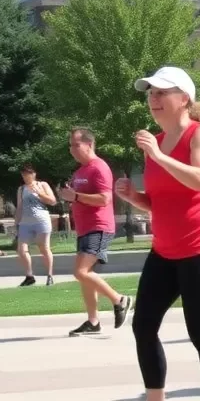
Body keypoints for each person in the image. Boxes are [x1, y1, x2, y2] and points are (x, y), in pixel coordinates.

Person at [103, 66, 200, 401]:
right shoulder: (156, 141)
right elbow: (164, 200)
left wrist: (157, 155)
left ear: (185, 99)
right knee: (143, 326)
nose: (153, 99)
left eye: (162, 92)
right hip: (165, 248)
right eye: (150, 93)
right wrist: (134, 197)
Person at [59, 129, 132, 336]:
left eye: (75, 145)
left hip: (98, 226)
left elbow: (104, 199)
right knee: (85, 275)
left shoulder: (99, 168)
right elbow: (77, 196)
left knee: (80, 272)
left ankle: (120, 300)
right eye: (70, 145)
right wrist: (69, 195)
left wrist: (76, 197)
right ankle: (93, 321)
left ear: (89, 145)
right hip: (85, 228)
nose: (71, 149)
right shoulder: (80, 171)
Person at [14, 164, 56, 287]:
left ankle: (49, 275)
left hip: (41, 220)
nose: (25, 176)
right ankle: (29, 275)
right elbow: (20, 206)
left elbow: (53, 201)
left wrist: (40, 193)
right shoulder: (21, 189)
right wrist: (16, 222)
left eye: (27, 174)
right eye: (23, 174)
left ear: (33, 174)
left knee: (44, 248)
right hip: (25, 223)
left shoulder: (42, 185)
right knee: (22, 250)